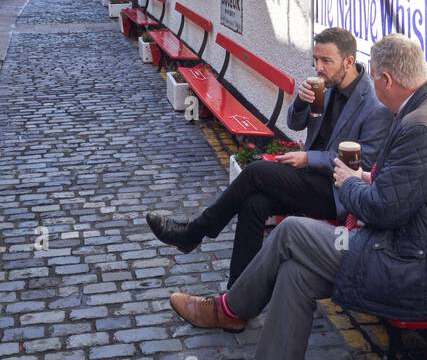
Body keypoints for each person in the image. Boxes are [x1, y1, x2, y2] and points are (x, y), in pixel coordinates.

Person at [168, 34, 427, 360]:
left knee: (290, 231)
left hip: (417, 270)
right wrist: (371, 181)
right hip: (419, 252)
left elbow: (385, 209)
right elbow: (408, 189)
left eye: (376, 79)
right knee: (297, 272)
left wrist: (351, 182)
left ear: (389, 79)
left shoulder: (420, 127)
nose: (374, 87)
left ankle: (230, 309)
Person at [146, 28, 391, 285]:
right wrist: (300, 102)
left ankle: (195, 231)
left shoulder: (374, 105)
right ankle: (238, 291)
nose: (318, 67)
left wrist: (310, 159)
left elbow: (363, 164)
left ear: (349, 61)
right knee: (254, 205)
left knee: (256, 172)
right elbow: (295, 124)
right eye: (315, 60)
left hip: (337, 193)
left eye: (326, 61)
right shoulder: (326, 86)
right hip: (309, 180)